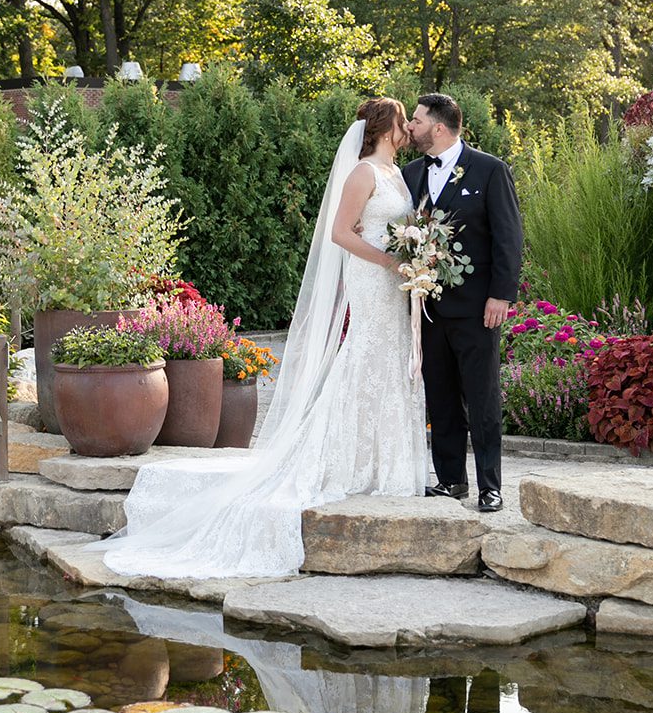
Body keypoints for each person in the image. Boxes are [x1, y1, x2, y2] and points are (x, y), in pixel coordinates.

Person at [86, 97, 427, 581]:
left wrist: (413, 255)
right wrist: (391, 261)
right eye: (401, 120)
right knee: (365, 356)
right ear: (384, 127)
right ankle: (347, 462)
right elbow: (339, 234)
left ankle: (385, 466)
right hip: (374, 279)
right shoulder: (363, 173)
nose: (407, 128)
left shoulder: (397, 174)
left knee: (392, 360)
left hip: (397, 284)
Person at [403, 93, 522, 511]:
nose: (409, 127)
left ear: (438, 127)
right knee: (441, 397)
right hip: (428, 307)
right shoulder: (411, 173)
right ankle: (451, 480)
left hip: (477, 308)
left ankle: (491, 486)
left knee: (483, 398)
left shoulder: (490, 170)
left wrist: (501, 295)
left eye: (415, 121)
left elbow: (509, 238)